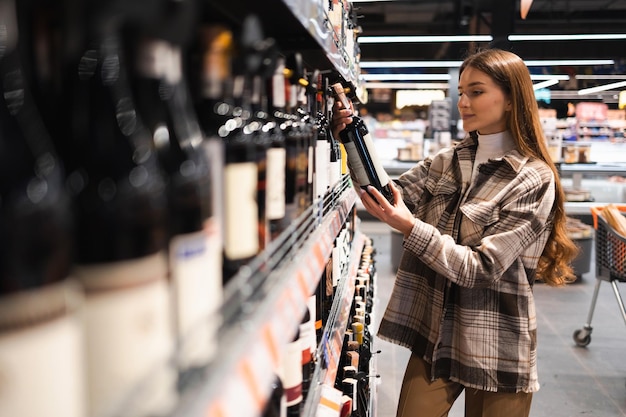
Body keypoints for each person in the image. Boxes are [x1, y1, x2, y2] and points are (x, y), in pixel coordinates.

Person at [331, 48, 579, 417]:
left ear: (511, 99)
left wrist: (410, 227)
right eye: (461, 92)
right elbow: (385, 196)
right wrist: (350, 135)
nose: (463, 102)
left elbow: (482, 268)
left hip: (496, 340)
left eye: (476, 92)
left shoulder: (533, 178)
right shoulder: (448, 160)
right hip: (437, 332)